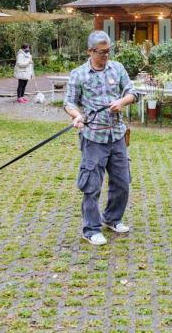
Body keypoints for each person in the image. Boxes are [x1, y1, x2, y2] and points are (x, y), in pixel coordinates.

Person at [64, 31, 137, 245]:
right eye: (102, 52)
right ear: (90, 51)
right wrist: (77, 116)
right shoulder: (79, 74)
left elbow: (133, 92)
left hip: (117, 135)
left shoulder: (118, 68)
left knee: (122, 182)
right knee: (92, 185)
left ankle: (113, 219)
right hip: (94, 137)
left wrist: (122, 102)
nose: (106, 55)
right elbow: (68, 102)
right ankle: (91, 229)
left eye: (108, 51)